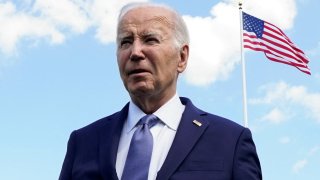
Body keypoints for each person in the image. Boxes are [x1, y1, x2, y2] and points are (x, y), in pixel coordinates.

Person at [59, 2, 262, 180]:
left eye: (150, 39)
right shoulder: (83, 142)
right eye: (126, 42)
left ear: (181, 58)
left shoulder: (230, 140)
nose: (135, 52)